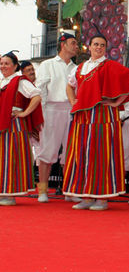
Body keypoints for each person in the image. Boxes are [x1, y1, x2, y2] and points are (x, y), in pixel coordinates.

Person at [62, 32, 129, 210]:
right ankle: (87, 196)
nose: (98, 48)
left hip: (103, 116)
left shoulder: (110, 65)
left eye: (102, 45)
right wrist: (73, 100)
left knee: (102, 154)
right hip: (82, 117)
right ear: (89, 47)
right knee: (82, 154)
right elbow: (70, 85)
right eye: (95, 44)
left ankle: (102, 198)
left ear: (105, 48)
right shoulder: (80, 68)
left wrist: (116, 102)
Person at [35, 32, 79, 203]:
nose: (76, 46)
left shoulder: (77, 68)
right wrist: (42, 113)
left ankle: (69, 189)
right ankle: (43, 190)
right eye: (73, 42)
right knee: (47, 151)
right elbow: (41, 89)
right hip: (51, 109)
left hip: (71, 110)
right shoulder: (48, 64)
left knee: (70, 151)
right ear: (63, 44)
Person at [0, 51, 43, 205]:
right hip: (2, 123)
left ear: (15, 66)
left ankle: (10, 193)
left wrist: (25, 112)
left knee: (12, 157)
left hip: (14, 123)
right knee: (2, 159)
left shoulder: (19, 81)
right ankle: (2, 191)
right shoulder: (2, 81)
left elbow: (36, 95)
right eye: (2, 63)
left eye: (7, 63)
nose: (3, 66)